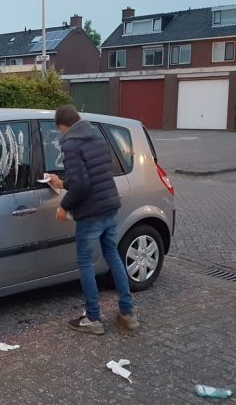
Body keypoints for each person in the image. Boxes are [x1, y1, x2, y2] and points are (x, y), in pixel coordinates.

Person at [48, 105, 139, 335]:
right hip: (110, 206)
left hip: (91, 213)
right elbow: (93, 175)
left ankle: (93, 318)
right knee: (113, 255)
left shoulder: (70, 143)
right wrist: (62, 183)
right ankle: (128, 312)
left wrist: (64, 206)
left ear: (62, 126)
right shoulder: (97, 136)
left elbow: (81, 184)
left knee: (85, 262)